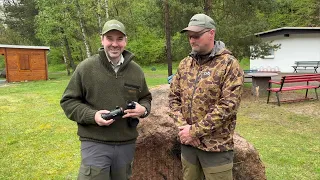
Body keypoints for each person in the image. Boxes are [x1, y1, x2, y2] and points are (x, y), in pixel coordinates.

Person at [60, 19, 152, 180]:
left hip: (126, 145)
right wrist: (93, 116)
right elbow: (69, 102)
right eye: (110, 38)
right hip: (95, 143)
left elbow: (146, 98)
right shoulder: (86, 68)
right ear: (102, 39)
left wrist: (143, 110)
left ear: (126, 41)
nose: (114, 44)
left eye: (119, 39)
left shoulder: (136, 70)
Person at [168, 14, 244, 180]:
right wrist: (185, 130)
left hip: (215, 149)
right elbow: (173, 99)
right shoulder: (185, 64)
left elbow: (227, 107)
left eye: (196, 35)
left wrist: (194, 132)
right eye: (190, 36)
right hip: (188, 147)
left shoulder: (229, 64)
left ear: (212, 33)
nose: (192, 40)